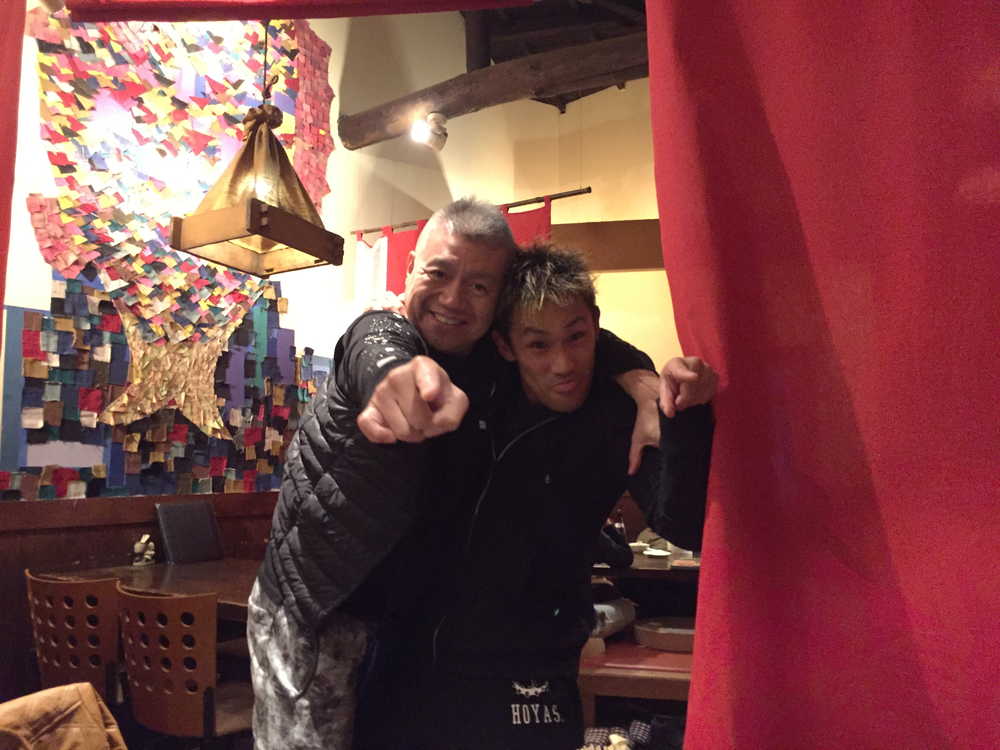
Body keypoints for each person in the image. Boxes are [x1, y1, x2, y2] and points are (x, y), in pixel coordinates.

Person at [248, 200, 654, 750]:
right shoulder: (384, 327)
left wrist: (638, 374)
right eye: (438, 274)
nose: (453, 299)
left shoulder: (492, 358)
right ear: (410, 268)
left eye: (479, 286)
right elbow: (375, 347)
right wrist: (393, 374)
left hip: (397, 626)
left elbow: (567, 326)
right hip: (318, 609)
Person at [354, 243, 717, 750]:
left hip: (536, 664)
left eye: (577, 338)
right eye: (538, 346)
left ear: (595, 327)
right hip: (413, 654)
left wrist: (684, 415)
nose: (563, 364)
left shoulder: (618, 410)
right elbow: (379, 332)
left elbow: (685, 527)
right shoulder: (474, 374)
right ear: (506, 346)